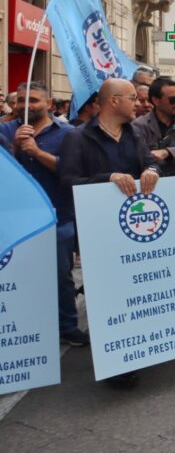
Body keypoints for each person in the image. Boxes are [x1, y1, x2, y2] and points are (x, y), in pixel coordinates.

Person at [59, 78, 161, 387]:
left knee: (134, 292)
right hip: (98, 233)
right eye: (132, 97)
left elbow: (151, 164)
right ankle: (116, 363)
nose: (138, 102)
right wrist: (108, 178)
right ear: (113, 101)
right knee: (107, 295)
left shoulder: (136, 134)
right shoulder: (77, 138)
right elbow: (68, 180)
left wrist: (151, 172)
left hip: (134, 229)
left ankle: (138, 349)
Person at [0, 83, 78, 344]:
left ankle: (67, 325)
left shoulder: (68, 133)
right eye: (20, 100)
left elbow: (72, 172)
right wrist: (13, 148)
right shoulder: (6, 130)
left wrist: (36, 152)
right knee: (19, 278)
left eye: (33, 100)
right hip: (16, 220)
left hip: (58, 216)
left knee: (60, 276)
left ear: (49, 104)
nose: (25, 106)